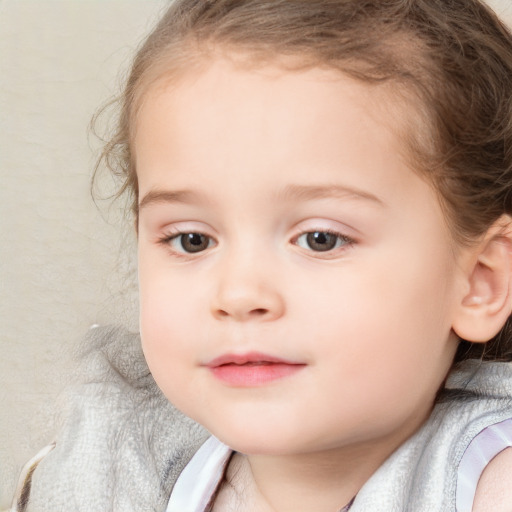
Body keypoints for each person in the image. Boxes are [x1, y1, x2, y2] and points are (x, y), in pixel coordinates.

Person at [8, 0, 512, 511]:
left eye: (321, 238)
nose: (239, 294)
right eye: (192, 240)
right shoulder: (106, 473)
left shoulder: (488, 487)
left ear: (479, 281)